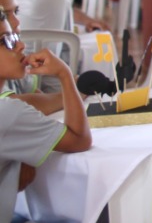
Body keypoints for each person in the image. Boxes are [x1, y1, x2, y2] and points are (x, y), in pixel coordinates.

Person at [0, 18, 92, 223]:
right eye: (4, 41)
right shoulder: (8, 111)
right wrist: (64, 74)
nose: (20, 45)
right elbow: (79, 139)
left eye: (14, 37)